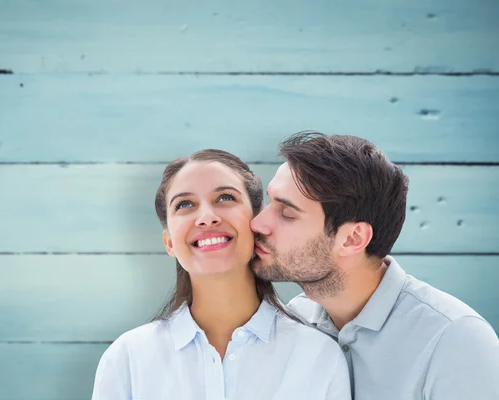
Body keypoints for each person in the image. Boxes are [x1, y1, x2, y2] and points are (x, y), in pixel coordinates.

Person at [250, 131, 499, 400]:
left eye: (287, 213)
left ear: (353, 239)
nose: (258, 224)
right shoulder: (293, 322)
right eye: (269, 202)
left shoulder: (455, 340)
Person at [92, 149, 351, 399]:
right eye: (185, 204)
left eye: (225, 198)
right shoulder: (127, 360)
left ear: (257, 222)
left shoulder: (318, 356)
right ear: (169, 242)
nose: (206, 217)